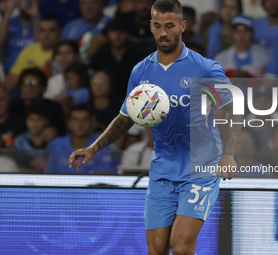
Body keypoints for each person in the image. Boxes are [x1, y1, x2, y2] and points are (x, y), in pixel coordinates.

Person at [69, 1, 242, 254]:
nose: (163, 32)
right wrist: (95, 147)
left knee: (181, 246)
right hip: (162, 170)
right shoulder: (141, 71)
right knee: (156, 249)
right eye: (158, 26)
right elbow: (125, 117)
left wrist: (229, 153)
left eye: (170, 26)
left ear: (182, 26)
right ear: (151, 26)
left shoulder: (204, 68)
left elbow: (234, 106)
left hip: (201, 169)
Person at [47, 104, 114, 174]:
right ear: (68, 123)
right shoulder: (56, 145)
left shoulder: (102, 145)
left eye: (84, 120)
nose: (80, 124)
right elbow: (50, 174)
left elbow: (104, 174)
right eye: (75, 120)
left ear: (92, 123)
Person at [2, 17, 62, 94]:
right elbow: (12, 79)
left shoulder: (64, 52)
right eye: (42, 30)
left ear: (60, 32)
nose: (46, 35)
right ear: (37, 32)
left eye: (51, 30)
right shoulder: (29, 50)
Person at [91, 16, 144, 102]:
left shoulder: (137, 56)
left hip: (133, 100)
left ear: (128, 34)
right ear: (107, 33)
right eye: (113, 31)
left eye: (122, 32)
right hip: (105, 101)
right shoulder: (100, 55)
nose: (117, 35)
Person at [11, 68, 67, 139]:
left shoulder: (54, 107)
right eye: (26, 83)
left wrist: (55, 131)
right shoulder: (13, 107)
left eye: (34, 83)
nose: (29, 87)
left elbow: (62, 131)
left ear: (43, 87)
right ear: (20, 87)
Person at [214, 14, 270, 79]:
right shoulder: (220, 58)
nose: (241, 36)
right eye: (237, 31)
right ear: (232, 33)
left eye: (245, 31)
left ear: (252, 33)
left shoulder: (264, 57)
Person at [13, 102, 53, 173]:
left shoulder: (54, 142)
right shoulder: (20, 141)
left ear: (46, 121)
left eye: (39, 120)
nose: (34, 123)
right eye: (31, 119)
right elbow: (15, 165)